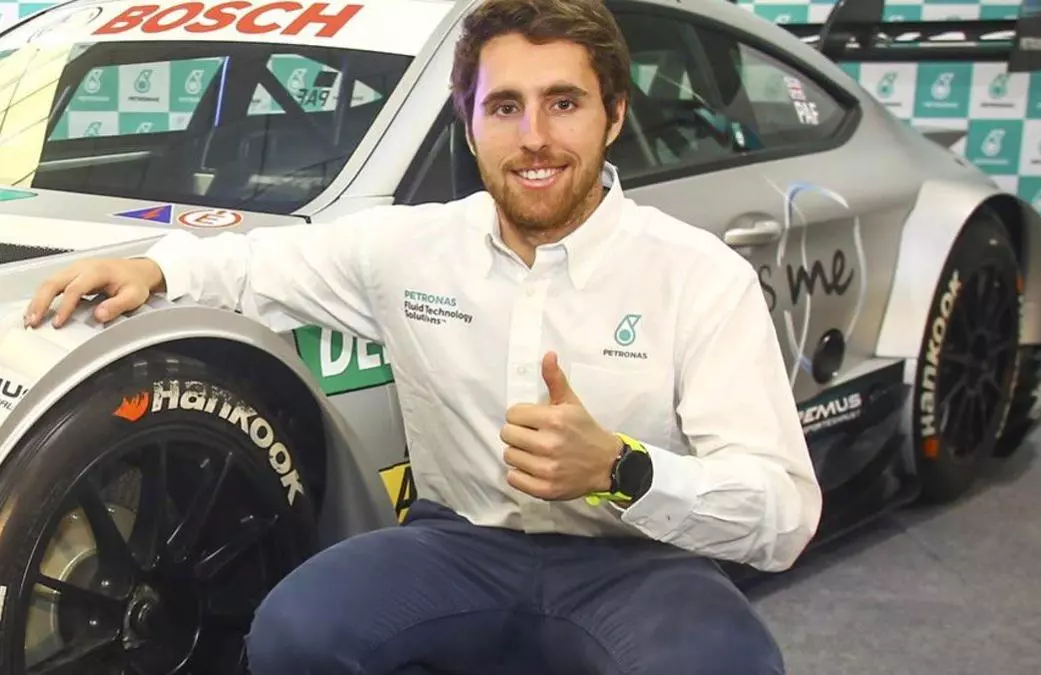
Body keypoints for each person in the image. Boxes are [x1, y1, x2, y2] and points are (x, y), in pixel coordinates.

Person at [25, 0, 822, 672]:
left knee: (727, 664)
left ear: (613, 115)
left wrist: (621, 469)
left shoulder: (698, 276)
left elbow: (783, 514)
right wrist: (154, 268)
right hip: (461, 546)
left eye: (564, 103)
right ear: (469, 126)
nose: (533, 136)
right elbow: (257, 265)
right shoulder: (411, 246)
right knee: (294, 630)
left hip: (639, 565)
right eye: (504, 107)